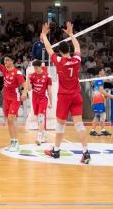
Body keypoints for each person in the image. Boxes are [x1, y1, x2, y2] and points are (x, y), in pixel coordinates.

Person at [40, 22, 91, 164]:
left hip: (64, 96)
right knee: (79, 125)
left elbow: (49, 49)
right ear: (68, 50)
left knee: (60, 125)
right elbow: (78, 47)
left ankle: (56, 151)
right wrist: (71, 34)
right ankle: (86, 153)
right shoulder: (76, 60)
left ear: (60, 51)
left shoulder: (59, 61)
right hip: (76, 95)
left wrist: (44, 34)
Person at [0, 39, 27, 152]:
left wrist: (24, 93)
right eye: (4, 60)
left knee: (10, 119)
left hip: (15, 99)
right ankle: (13, 141)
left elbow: (25, 84)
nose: (5, 62)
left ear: (12, 61)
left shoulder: (17, 72)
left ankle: (16, 142)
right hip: (6, 99)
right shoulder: (4, 70)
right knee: (9, 121)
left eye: (7, 60)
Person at [22, 59, 52, 146]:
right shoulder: (32, 75)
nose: (35, 69)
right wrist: (28, 80)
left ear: (40, 66)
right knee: (38, 118)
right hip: (35, 100)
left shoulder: (47, 76)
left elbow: (49, 90)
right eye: (34, 68)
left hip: (43, 99)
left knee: (41, 117)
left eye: (36, 68)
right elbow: (30, 89)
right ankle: (44, 134)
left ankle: (39, 137)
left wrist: (51, 102)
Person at [90, 68, 113, 136]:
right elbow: (101, 91)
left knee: (103, 115)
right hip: (98, 100)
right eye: (102, 70)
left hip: (100, 99)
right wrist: (111, 96)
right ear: (99, 72)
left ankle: (103, 130)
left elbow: (99, 90)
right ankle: (92, 130)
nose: (104, 71)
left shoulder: (99, 79)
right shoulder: (99, 80)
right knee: (97, 115)